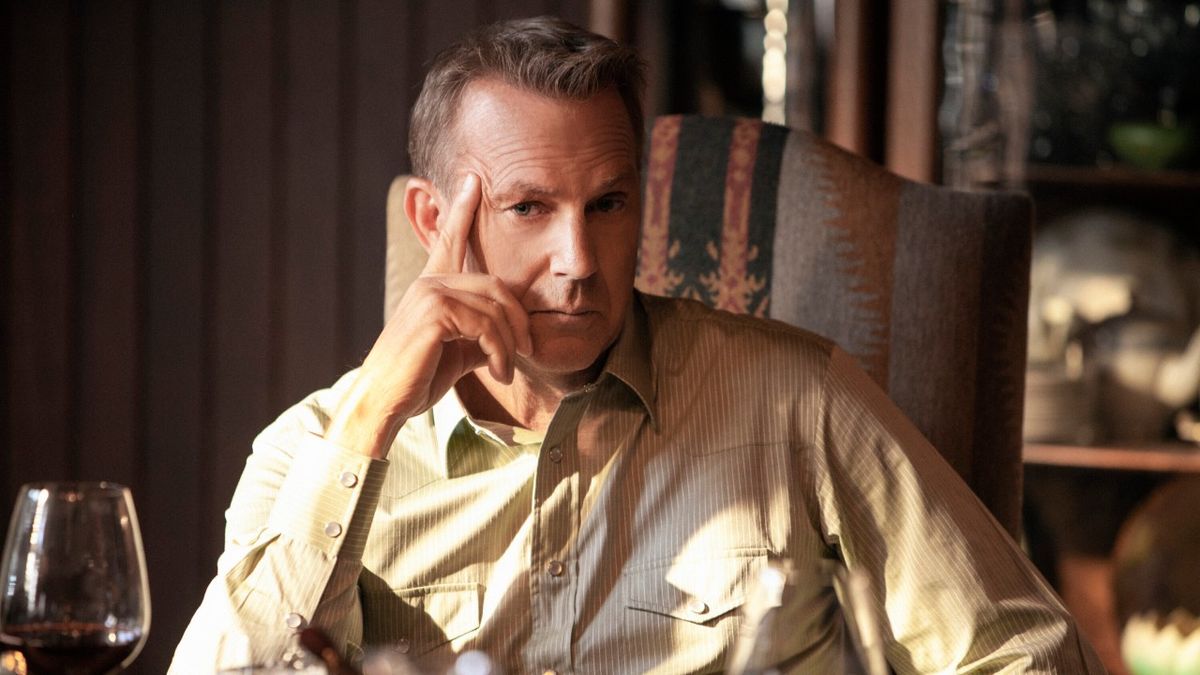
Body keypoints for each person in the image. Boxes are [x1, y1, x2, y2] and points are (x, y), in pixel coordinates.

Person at [171, 16, 1103, 674]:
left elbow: (1031, 657)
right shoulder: (314, 448)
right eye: (529, 207)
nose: (578, 261)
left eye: (607, 205)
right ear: (433, 220)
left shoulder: (798, 401)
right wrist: (373, 415)